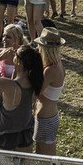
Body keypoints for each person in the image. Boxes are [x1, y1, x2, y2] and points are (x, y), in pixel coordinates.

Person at [34, 27, 66, 155]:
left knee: (45, 156)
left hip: (46, 117)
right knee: (43, 154)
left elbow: (37, 91)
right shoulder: (58, 63)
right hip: (49, 115)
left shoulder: (50, 70)